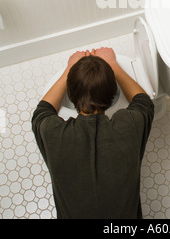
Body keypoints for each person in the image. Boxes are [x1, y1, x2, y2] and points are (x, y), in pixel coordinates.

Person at [31, 47, 154, 219]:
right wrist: (113, 65)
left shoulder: (52, 133)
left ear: (71, 94)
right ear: (112, 97)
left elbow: (42, 111)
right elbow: (143, 102)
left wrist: (69, 69)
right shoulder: (129, 126)